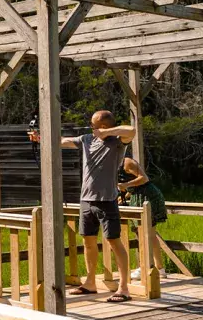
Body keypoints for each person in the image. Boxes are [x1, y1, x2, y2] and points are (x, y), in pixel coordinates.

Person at [28, 110, 134, 303]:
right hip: (86, 200)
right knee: (88, 241)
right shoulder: (86, 139)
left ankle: (124, 288)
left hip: (107, 200)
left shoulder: (117, 142)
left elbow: (132, 130)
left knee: (113, 241)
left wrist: (108, 133)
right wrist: (39, 138)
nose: (91, 128)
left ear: (103, 127)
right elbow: (61, 141)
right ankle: (90, 282)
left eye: (94, 125)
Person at [117, 156, 169, 280]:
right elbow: (134, 184)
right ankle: (159, 268)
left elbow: (144, 178)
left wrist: (125, 184)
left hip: (147, 197)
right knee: (150, 234)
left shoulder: (127, 163)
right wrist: (124, 195)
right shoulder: (113, 164)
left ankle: (145, 267)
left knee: (143, 234)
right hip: (138, 196)